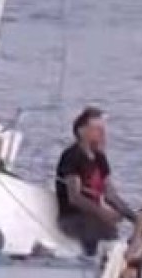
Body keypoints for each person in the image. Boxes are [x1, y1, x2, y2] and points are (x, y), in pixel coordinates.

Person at [55, 106, 136, 254]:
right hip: (73, 218)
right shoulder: (72, 156)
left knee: (109, 229)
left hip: (94, 218)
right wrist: (103, 213)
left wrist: (134, 218)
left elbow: (111, 195)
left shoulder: (100, 158)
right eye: (96, 129)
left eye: (102, 129)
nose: (102, 133)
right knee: (97, 228)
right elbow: (75, 197)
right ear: (81, 131)